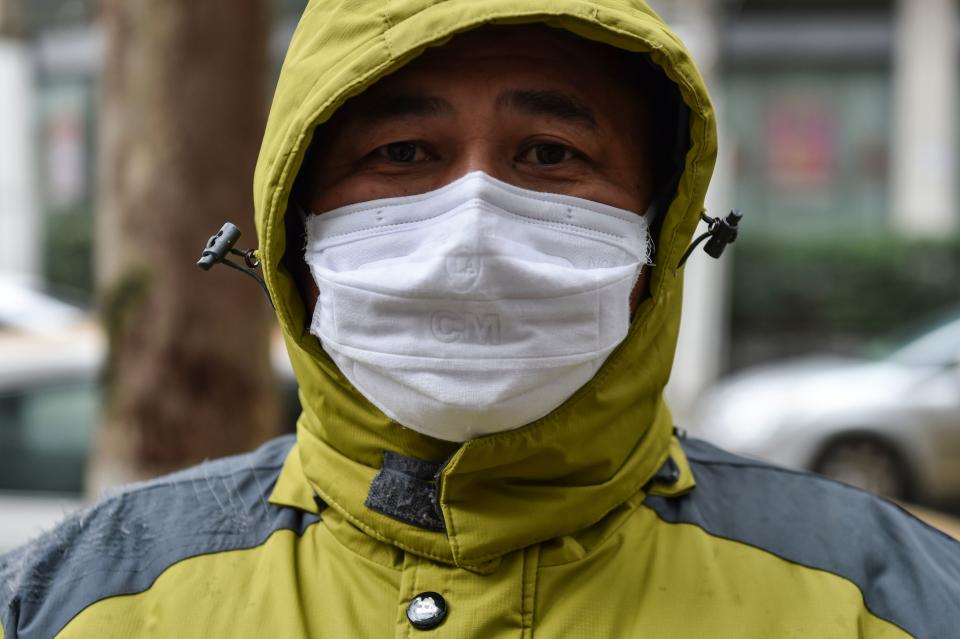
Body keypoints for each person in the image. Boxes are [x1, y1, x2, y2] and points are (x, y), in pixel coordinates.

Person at [2, 1, 958, 637]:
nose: (472, 228)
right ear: (294, 232)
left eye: (548, 154)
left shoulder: (888, 602)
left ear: (661, 233)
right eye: (405, 150)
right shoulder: (78, 604)